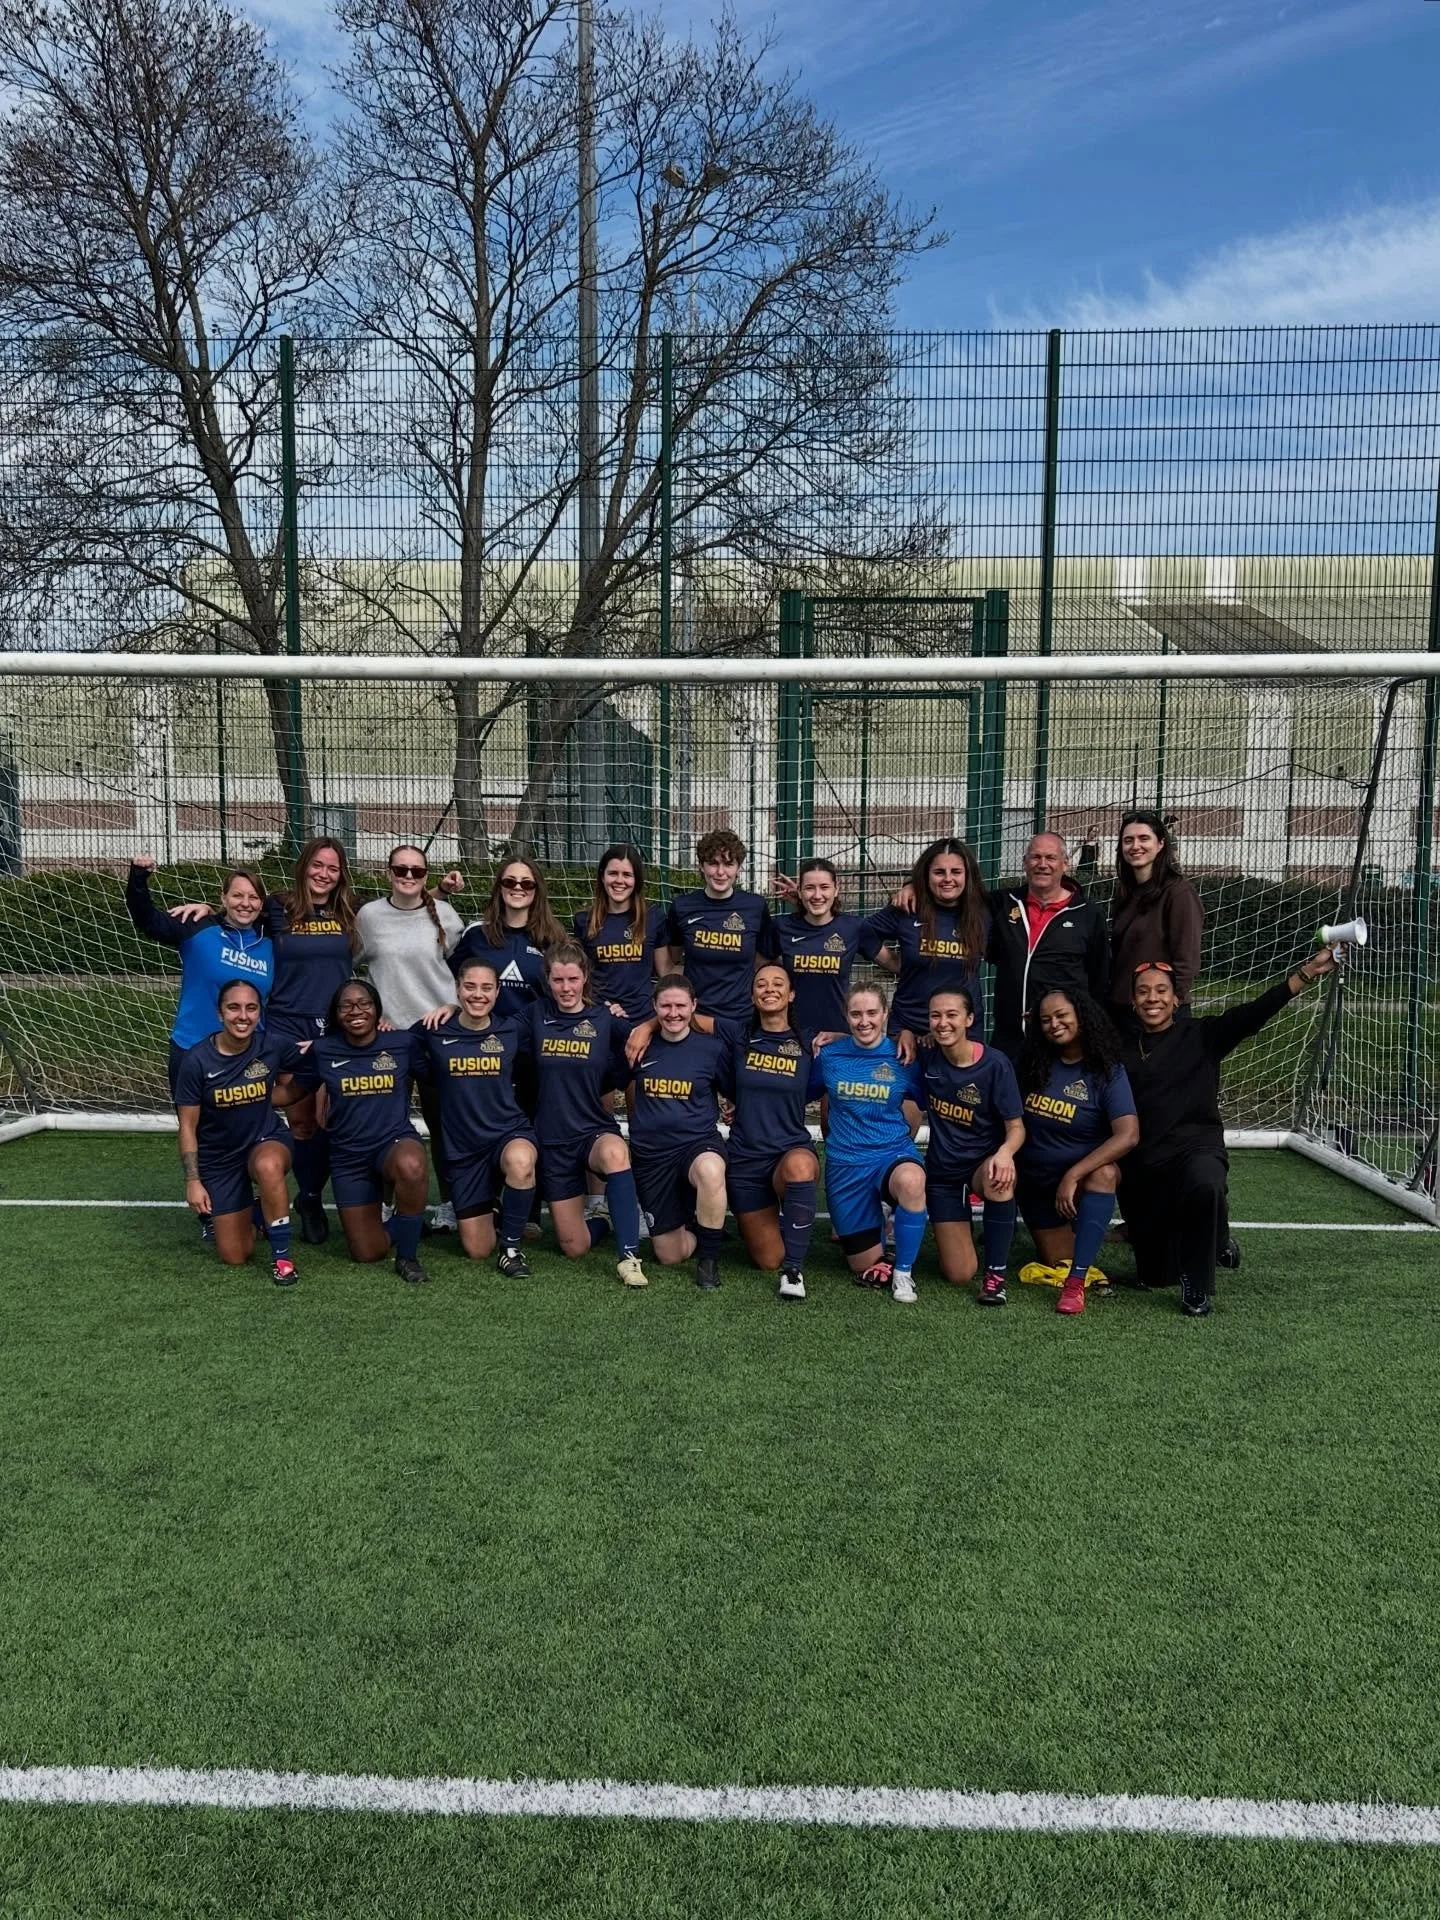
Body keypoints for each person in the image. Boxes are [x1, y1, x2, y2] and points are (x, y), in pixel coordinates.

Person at [1119, 945, 1337, 1315]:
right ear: (1133, 1000)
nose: (1152, 998)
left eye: (1161, 990)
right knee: (1154, 1276)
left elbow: (1254, 1014)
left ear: (1176, 999)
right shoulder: (1119, 1045)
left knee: (1206, 1182)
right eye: (1143, 991)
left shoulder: (1203, 1035)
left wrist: (1308, 972)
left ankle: (1197, 1285)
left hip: (1194, 1150)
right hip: (1142, 1164)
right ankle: (1217, 1235)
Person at [169, 837, 360, 1248]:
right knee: (302, 1119)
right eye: (317, 865)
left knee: (336, 1119)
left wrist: (436, 893)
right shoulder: (278, 907)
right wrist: (208, 913)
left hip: (335, 1027)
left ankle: (312, 1194)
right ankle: (292, 1199)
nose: (323, 874)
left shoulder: (351, 911)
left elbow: (401, 912)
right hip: (288, 1027)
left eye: (333, 867)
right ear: (304, 866)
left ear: (341, 873)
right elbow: (238, 918)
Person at [291, 978, 432, 1284]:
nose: (356, 1010)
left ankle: (408, 1257)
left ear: (377, 1010)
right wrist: (242, 1089)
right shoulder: (323, 1050)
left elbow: (437, 1075)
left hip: (392, 1142)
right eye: (347, 1005)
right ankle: (408, 1220)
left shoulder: (402, 1043)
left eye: (364, 1003)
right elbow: (291, 1093)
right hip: (347, 1157)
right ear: (336, 1013)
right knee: (367, 1252)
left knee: (412, 1164)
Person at [355, 843, 466, 1232]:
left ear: (425, 876)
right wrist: (370, 1010)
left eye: (416, 872)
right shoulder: (368, 917)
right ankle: (384, 1206)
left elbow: (464, 974)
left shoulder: (445, 916)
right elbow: (351, 967)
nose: (407, 877)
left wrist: (453, 1008)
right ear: (388, 872)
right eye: (400, 870)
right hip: (388, 1036)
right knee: (386, 1126)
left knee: (443, 1124)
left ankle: (451, 1204)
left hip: (437, 1034)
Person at [529, 938, 648, 1289]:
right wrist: (448, 1008)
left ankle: (629, 1258)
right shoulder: (535, 1015)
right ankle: (603, 1224)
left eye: (572, 979)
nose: (566, 988)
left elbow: (646, 1036)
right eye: (558, 980)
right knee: (574, 1247)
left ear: (585, 979)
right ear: (548, 981)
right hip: (553, 1139)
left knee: (615, 1152)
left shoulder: (603, 1018)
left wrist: (650, 1024)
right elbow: (494, 1033)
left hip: (593, 1130)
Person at [1014, 989, 1139, 1316]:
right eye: (1045, 1020)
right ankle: (1074, 1245)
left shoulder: (1107, 1071)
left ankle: (1075, 1285)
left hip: (1077, 1185)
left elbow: (1128, 1135)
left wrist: (1073, 1174)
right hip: (1035, 1186)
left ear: (1081, 1017)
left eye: (1061, 1016)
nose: (1054, 1024)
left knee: (1106, 1172)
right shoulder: (1031, 1064)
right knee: (1056, 1261)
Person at [411, 957, 538, 1276]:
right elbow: (399, 1045)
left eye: (486, 988)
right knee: (477, 1249)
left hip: (507, 1134)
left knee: (522, 1162)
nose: (478, 994)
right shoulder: (434, 1030)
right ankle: (492, 1208)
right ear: (456, 989)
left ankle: (510, 1249)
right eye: (469, 987)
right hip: (464, 1148)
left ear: (497, 992)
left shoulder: (511, 1028)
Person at [173, 978, 304, 1284]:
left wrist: (288, 1094)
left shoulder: (272, 1045)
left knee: (267, 1165)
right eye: (233, 1008)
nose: (242, 1016)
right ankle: (258, 1211)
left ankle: (282, 1258)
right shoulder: (196, 1061)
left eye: (251, 1008)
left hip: (266, 1139)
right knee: (235, 1255)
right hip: (221, 1158)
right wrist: (193, 1181)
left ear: (259, 1013)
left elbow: (315, 1062)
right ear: (220, 1013)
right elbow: (188, 1127)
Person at [813, 981, 929, 1304]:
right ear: (846, 1017)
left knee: (912, 1180)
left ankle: (903, 1273)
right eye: (856, 1014)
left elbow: (933, 1095)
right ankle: (878, 1214)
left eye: (872, 1013)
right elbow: (793, 1091)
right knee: (863, 1264)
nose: (864, 1021)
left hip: (891, 1152)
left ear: (886, 1014)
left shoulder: (903, 1058)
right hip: (846, 1163)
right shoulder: (829, 1056)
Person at [125, 854, 275, 1103]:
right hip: (192, 1049)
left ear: (262, 904)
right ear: (223, 898)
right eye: (237, 895)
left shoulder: (272, 941)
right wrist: (138, 877)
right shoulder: (196, 926)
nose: (245, 903)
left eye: (253, 897)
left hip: (248, 1054)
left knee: (245, 1130)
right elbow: (147, 919)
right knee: (196, 1131)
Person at [718, 963, 821, 1302]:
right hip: (746, 1159)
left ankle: (793, 1270)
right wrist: (645, 1027)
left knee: (801, 1168)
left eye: (778, 983)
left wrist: (839, 1035)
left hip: (788, 1152)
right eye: (761, 984)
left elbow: (860, 1038)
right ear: (752, 996)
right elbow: (689, 1017)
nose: (769, 989)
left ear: (791, 994)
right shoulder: (737, 1037)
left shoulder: (808, 1043)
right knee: (766, 1260)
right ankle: (789, 1227)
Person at [918, 986, 1025, 1303]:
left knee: (1000, 1178)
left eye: (952, 1015)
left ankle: (995, 1276)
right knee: (959, 1273)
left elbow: (1016, 1127)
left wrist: (1005, 1153)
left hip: (982, 1163)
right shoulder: (927, 1057)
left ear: (969, 1018)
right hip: (942, 1173)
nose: (942, 1023)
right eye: (935, 1015)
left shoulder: (995, 1064)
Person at [625, 975, 730, 1289]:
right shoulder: (638, 1046)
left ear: (694, 1006)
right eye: (666, 1005)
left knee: (711, 1170)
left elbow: (734, 1089)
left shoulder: (712, 1049)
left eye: (681, 1005)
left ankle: (709, 1260)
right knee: (669, 1255)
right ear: (654, 1008)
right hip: (652, 1156)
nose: (673, 1013)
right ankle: (700, 1225)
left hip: (696, 1145)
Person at [986, 833, 1110, 1059]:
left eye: (1051, 858)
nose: (1042, 864)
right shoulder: (1001, 903)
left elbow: (1099, 979)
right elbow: (954, 897)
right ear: (1025, 862)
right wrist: (912, 886)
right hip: (1009, 1039)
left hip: (1061, 1039)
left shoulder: (1088, 914)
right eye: (1035, 857)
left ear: (1065, 863)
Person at [862, 838, 988, 1058]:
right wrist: (893, 962)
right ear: (927, 875)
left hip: (961, 1031)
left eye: (956, 872)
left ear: (967, 876)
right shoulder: (908, 908)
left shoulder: (985, 914)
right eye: (939, 872)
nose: (948, 879)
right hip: (908, 1029)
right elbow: (859, 932)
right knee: (905, 1092)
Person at [662, 828, 777, 1024]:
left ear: (739, 868)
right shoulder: (683, 907)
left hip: (742, 1017)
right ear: (701, 866)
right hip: (696, 1018)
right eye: (713, 864)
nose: (720, 872)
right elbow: (672, 963)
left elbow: (761, 962)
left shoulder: (755, 906)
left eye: (728, 864)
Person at [1107, 810, 1204, 1015]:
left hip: (1159, 1013)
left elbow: (1186, 960)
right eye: (1128, 840)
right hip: (1124, 1009)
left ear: (1160, 844)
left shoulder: (1178, 892)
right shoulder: (1126, 893)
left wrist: (1169, 1003)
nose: (1135, 846)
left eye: (1144, 838)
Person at [771, 858, 877, 1043]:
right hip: (791, 1034)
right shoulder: (782, 927)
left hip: (839, 1035)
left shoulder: (853, 928)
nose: (817, 894)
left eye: (824, 887)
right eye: (810, 888)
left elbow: (892, 962)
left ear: (837, 889)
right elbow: (760, 967)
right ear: (800, 891)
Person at [448, 856, 564, 1023]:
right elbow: (449, 980)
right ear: (499, 887)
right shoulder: (476, 935)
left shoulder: (553, 939)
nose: (518, 887)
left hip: (533, 1038)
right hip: (483, 1038)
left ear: (537, 890)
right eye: (510, 882)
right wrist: (450, 1006)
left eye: (527, 883)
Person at [573, 843, 670, 1019]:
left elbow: (665, 971)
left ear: (637, 880)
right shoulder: (584, 921)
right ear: (602, 876)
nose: (619, 881)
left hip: (643, 1019)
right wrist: (602, 1006)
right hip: (600, 1016)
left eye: (627, 875)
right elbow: (579, 976)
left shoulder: (653, 918)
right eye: (613, 873)